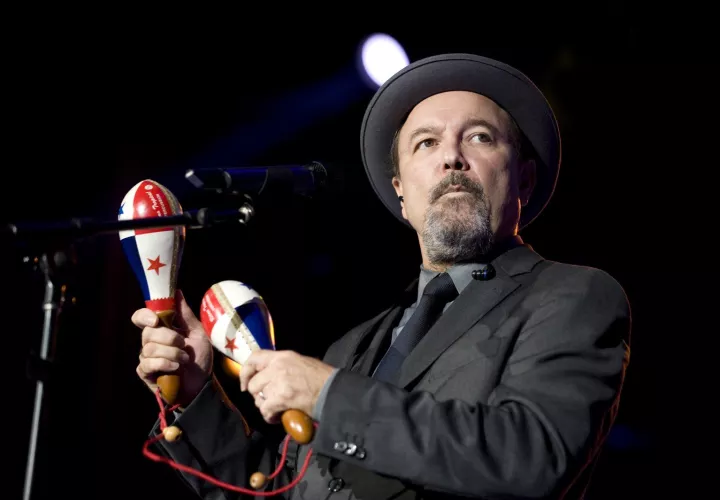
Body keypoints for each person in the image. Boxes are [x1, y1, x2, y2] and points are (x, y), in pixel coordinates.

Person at [132, 53, 631, 499]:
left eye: (479, 137)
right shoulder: (352, 348)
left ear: (523, 178)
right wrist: (195, 393)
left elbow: (530, 458)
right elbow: (282, 490)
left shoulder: (573, 296)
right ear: (401, 194)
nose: (451, 157)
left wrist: (329, 396)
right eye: (426, 142)